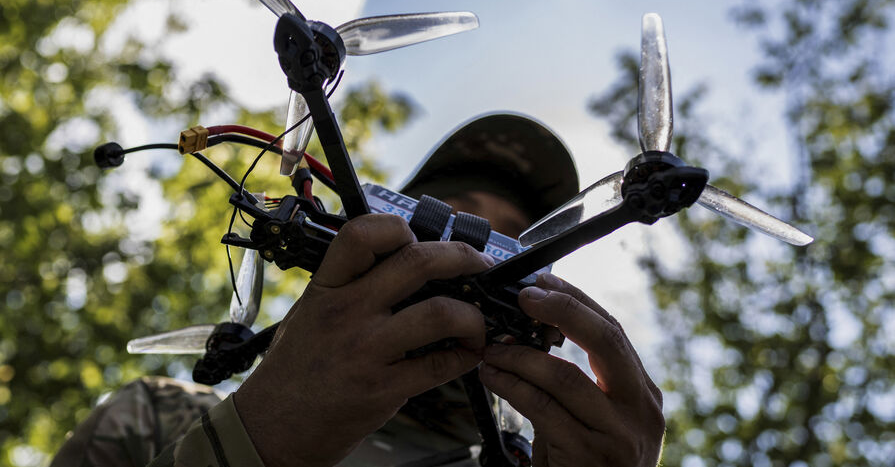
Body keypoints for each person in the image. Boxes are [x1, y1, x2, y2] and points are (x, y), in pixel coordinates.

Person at [52, 113, 665, 467]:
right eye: (454, 221)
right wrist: (262, 433)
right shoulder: (155, 419)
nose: (479, 255)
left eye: (511, 245)